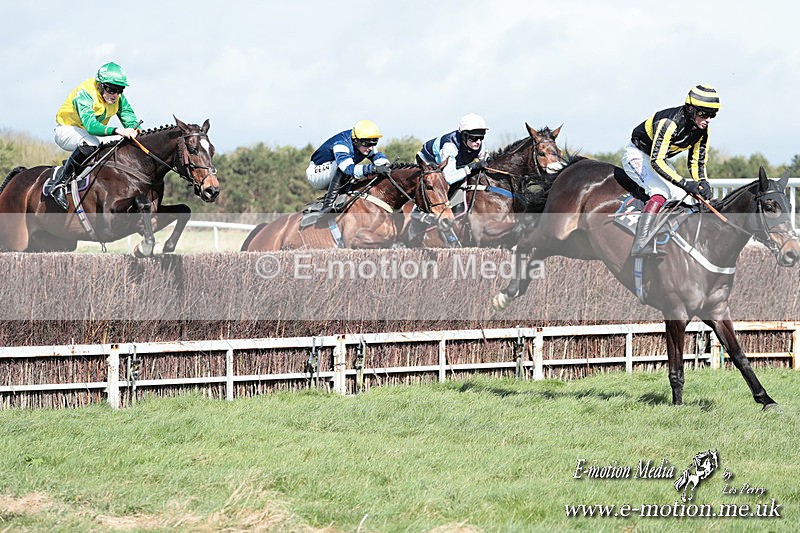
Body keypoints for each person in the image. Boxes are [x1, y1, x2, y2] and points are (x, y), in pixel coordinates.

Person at [621, 85, 719, 257]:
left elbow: (697, 161)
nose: (708, 119)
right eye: (704, 113)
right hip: (637, 154)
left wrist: (703, 182)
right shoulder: (669, 123)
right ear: (690, 109)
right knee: (660, 192)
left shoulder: (703, 130)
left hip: (657, 159)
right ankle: (640, 243)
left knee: (687, 197)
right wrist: (685, 183)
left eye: (712, 115)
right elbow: (656, 161)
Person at [51, 62, 140, 210]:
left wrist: (137, 132)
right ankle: (59, 183)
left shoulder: (117, 97)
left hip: (92, 134)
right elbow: (91, 126)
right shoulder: (85, 92)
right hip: (67, 130)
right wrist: (117, 130)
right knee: (90, 142)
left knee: (124, 142)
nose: (115, 95)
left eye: (120, 90)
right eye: (111, 89)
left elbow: (129, 117)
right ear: (100, 84)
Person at [302, 119, 391, 227]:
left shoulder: (363, 144)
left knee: (358, 172)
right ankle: (327, 206)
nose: (370, 147)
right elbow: (347, 169)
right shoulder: (342, 144)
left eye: (374, 143)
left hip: (334, 172)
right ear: (356, 140)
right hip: (316, 173)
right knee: (344, 167)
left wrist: (388, 167)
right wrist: (374, 169)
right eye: (367, 144)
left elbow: (378, 157)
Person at [418, 113, 488, 189]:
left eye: (481, 137)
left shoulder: (480, 145)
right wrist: (471, 167)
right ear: (464, 136)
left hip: (454, 165)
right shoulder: (449, 146)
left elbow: (486, 163)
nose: (478, 142)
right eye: (474, 138)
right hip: (427, 164)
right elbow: (449, 178)